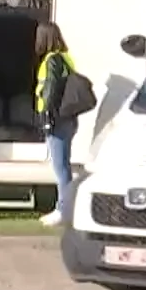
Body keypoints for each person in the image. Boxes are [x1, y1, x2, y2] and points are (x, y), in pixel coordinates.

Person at [33, 22, 94, 228]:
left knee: (60, 168)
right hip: (66, 120)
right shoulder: (63, 57)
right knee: (63, 165)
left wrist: (47, 118)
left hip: (57, 120)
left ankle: (64, 210)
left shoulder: (51, 60)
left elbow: (50, 90)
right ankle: (64, 208)